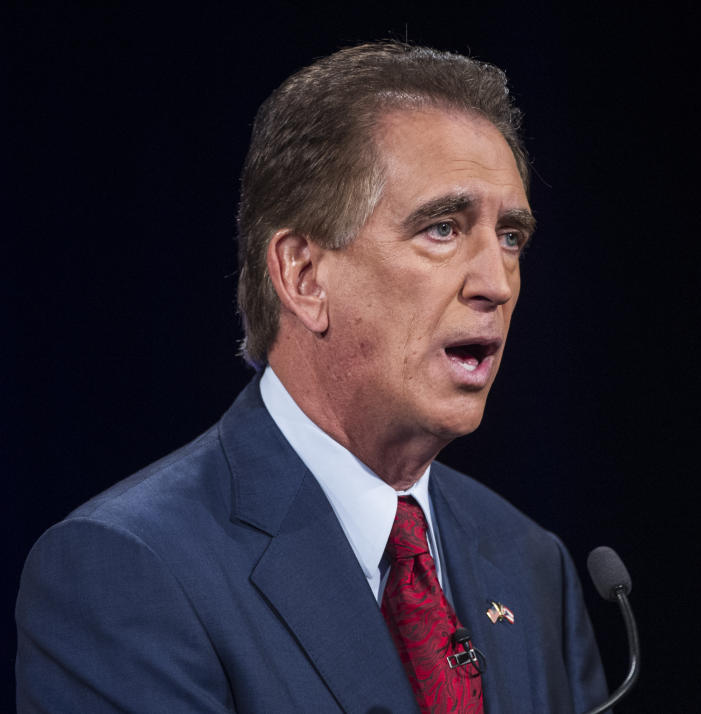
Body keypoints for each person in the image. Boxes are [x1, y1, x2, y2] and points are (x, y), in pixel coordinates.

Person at [16, 42, 607, 713]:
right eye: (442, 229)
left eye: (510, 237)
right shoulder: (128, 571)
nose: (497, 284)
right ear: (304, 276)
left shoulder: (532, 564)